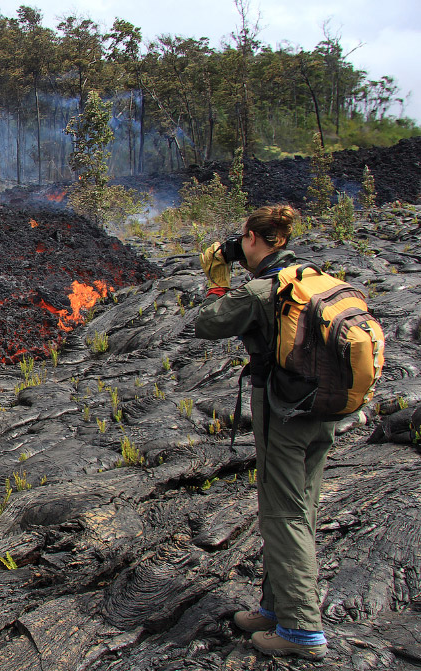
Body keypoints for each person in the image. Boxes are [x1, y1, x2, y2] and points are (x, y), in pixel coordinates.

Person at [195, 204, 333, 661]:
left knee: (283, 515)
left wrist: (217, 279)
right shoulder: (307, 276)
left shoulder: (258, 291)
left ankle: (301, 631)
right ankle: (275, 608)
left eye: (242, 239)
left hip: (284, 413)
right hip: (321, 408)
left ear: (253, 237)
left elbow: (208, 322)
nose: (239, 245)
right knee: (299, 506)